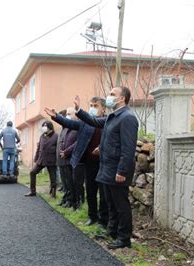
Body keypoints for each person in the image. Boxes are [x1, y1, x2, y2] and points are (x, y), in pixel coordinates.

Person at [74, 86, 139, 249]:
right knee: (110, 203)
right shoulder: (113, 117)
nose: (108, 97)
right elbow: (94, 121)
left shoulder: (127, 117)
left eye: (112, 94)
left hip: (117, 170)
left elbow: (128, 148)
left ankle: (124, 238)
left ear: (122, 98)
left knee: (121, 205)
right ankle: (112, 231)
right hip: (107, 168)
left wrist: (122, 171)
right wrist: (79, 110)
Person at [45, 100, 109, 218]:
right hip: (88, 162)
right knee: (90, 191)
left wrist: (102, 147)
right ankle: (92, 217)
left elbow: (111, 139)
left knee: (104, 194)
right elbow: (70, 124)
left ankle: (103, 219)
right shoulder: (85, 122)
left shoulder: (108, 122)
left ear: (104, 109)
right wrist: (56, 117)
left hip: (103, 163)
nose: (92, 108)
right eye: (91, 106)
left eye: (96, 106)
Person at [25, 121, 58, 198]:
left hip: (51, 160)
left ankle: (53, 194)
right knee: (32, 172)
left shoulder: (56, 136)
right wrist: (36, 158)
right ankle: (32, 191)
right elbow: (39, 148)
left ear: (50, 127)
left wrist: (57, 160)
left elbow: (58, 149)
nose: (44, 127)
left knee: (53, 177)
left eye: (45, 125)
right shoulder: (42, 136)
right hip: (41, 159)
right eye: (43, 125)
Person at [57, 108, 78, 208]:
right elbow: (62, 142)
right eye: (67, 114)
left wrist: (66, 152)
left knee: (70, 182)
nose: (67, 116)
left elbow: (76, 143)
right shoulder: (64, 128)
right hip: (62, 159)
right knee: (65, 183)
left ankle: (71, 201)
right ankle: (66, 199)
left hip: (69, 159)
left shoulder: (76, 127)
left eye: (69, 114)